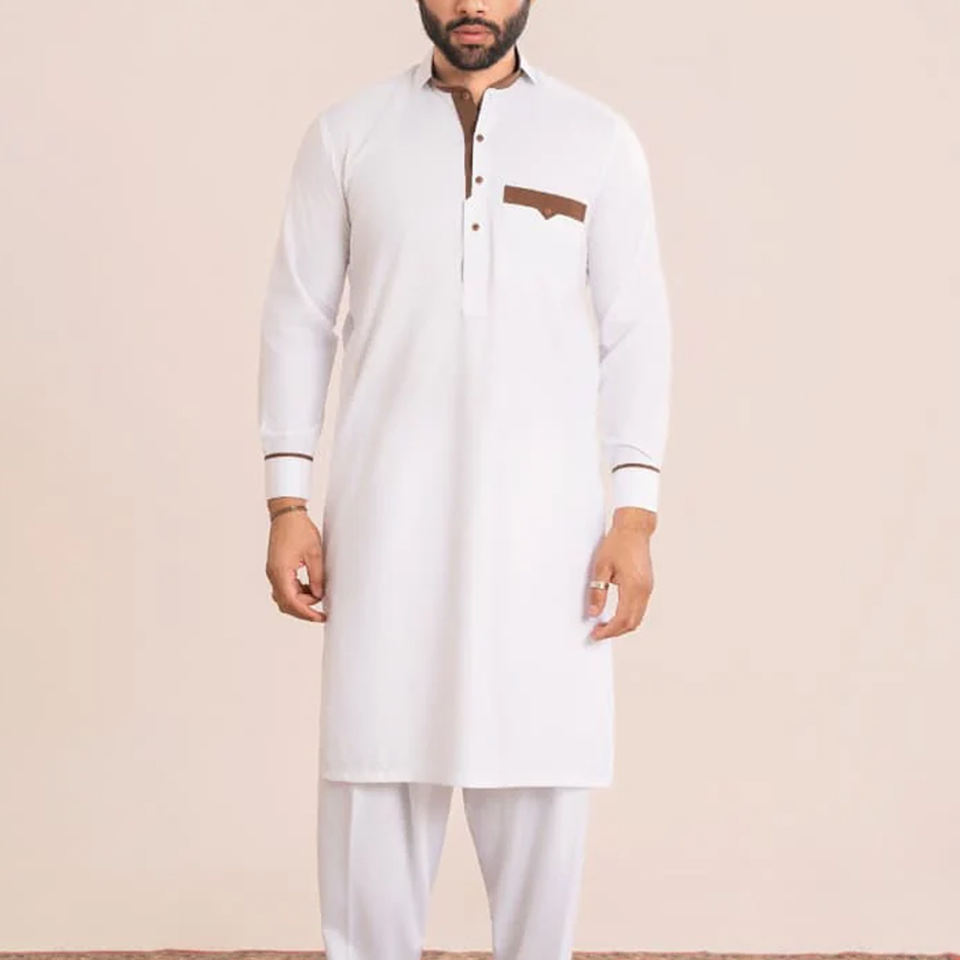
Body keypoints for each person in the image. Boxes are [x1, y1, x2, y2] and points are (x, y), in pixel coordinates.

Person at [258, 0, 672, 956]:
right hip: (385, 520)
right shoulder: (349, 135)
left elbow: (637, 330)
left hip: (548, 531)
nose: (471, 6)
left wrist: (635, 515)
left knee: (541, 772)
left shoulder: (595, 139)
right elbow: (298, 317)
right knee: (373, 769)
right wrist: (287, 499)